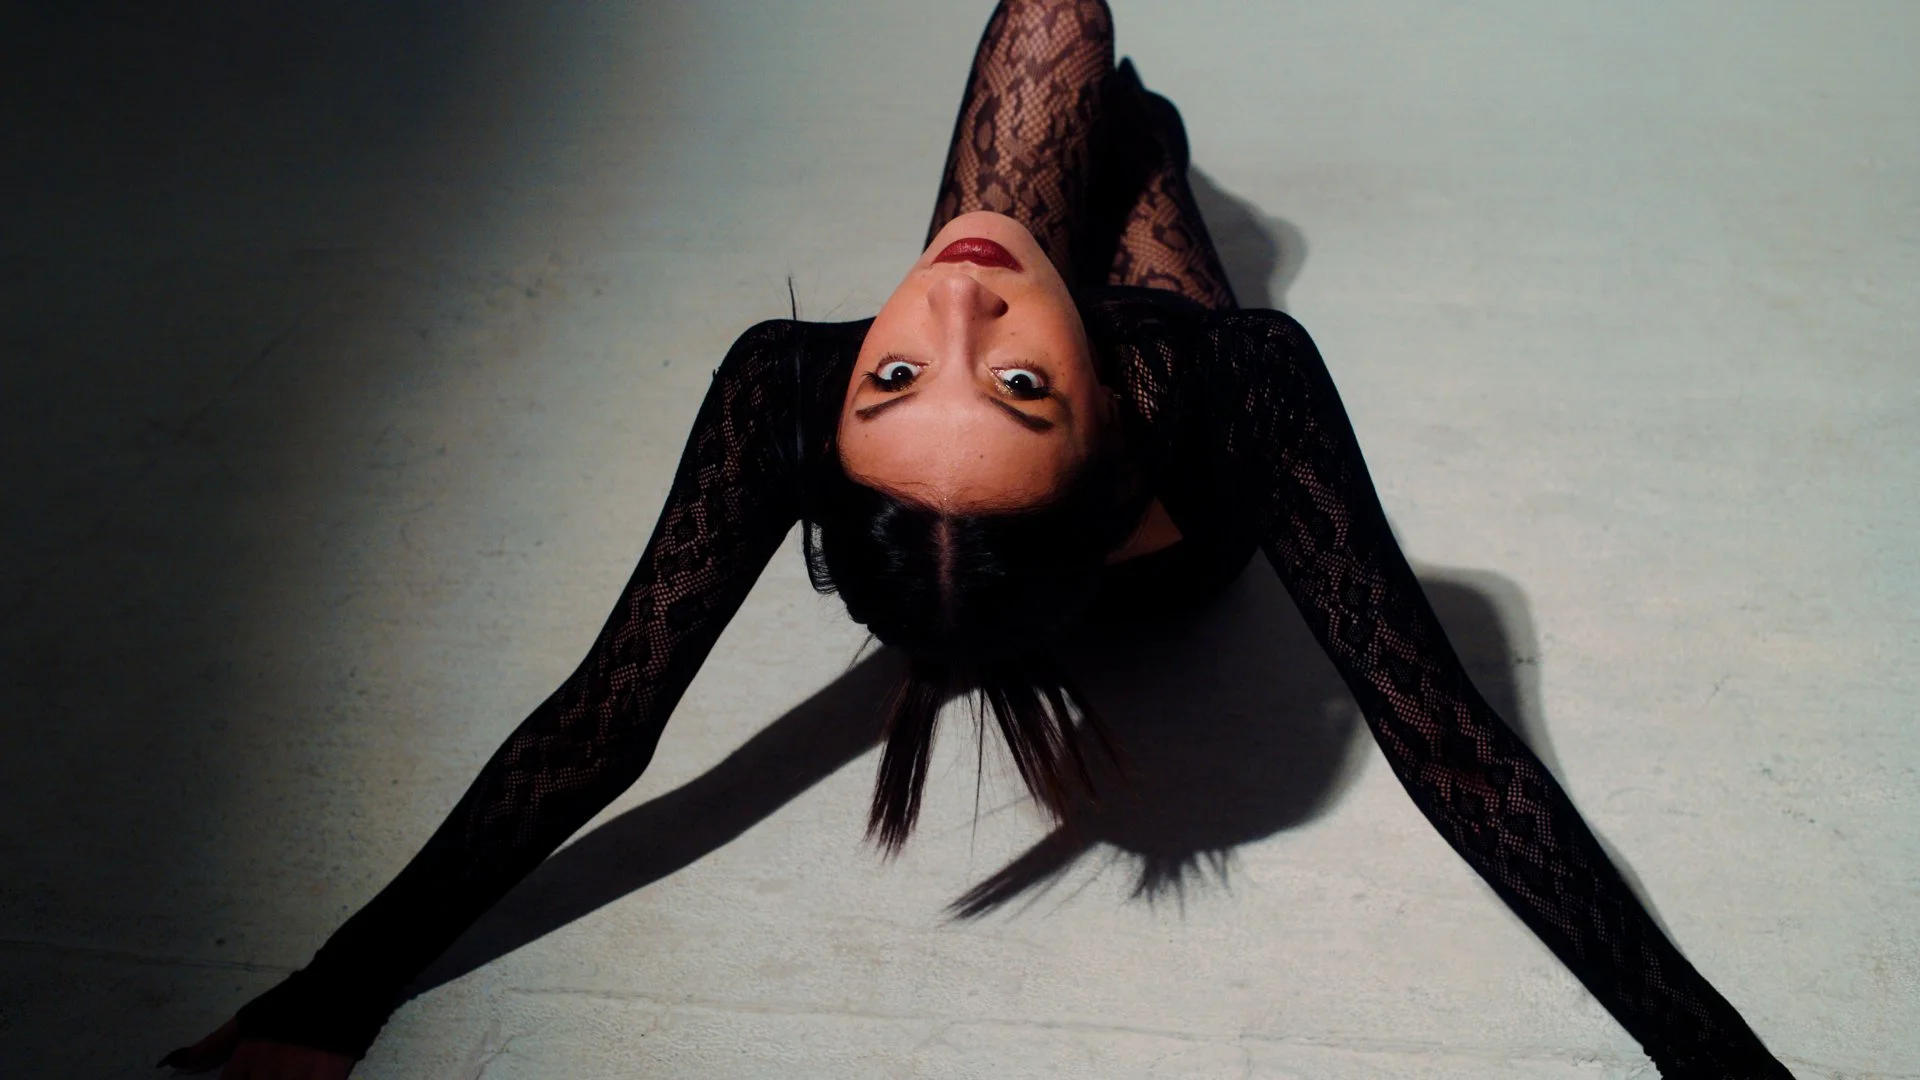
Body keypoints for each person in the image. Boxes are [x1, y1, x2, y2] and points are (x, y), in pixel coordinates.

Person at [162, 2, 1792, 1076]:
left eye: (897, 375)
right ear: (1104, 428)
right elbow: (611, 713)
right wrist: (338, 996)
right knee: (1116, 152)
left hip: (1081, 556)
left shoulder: (817, 383)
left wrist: (335, 985)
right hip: (1131, 503)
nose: (949, 306)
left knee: (1061, 62)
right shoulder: (1223, 382)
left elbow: (609, 711)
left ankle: (1127, 140)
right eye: (1011, 381)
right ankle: (1136, 148)